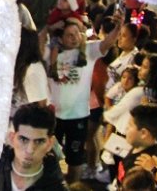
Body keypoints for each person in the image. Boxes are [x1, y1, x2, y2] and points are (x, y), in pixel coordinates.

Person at [48, 12, 123, 182]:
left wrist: (118, 28)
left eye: (77, 34)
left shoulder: (88, 51)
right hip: (54, 116)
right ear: (60, 38)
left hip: (78, 116)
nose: (74, 38)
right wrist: (50, 28)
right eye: (69, 35)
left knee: (75, 158)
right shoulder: (50, 53)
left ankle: (74, 185)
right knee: (51, 157)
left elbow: (107, 43)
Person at [0, 102, 66, 191]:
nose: (30, 150)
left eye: (39, 141)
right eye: (23, 140)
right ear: (12, 138)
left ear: (49, 144)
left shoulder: (56, 188)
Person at [114, 104, 157, 188]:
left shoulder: (142, 166)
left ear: (143, 133)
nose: (126, 129)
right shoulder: (139, 146)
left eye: (130, 125)